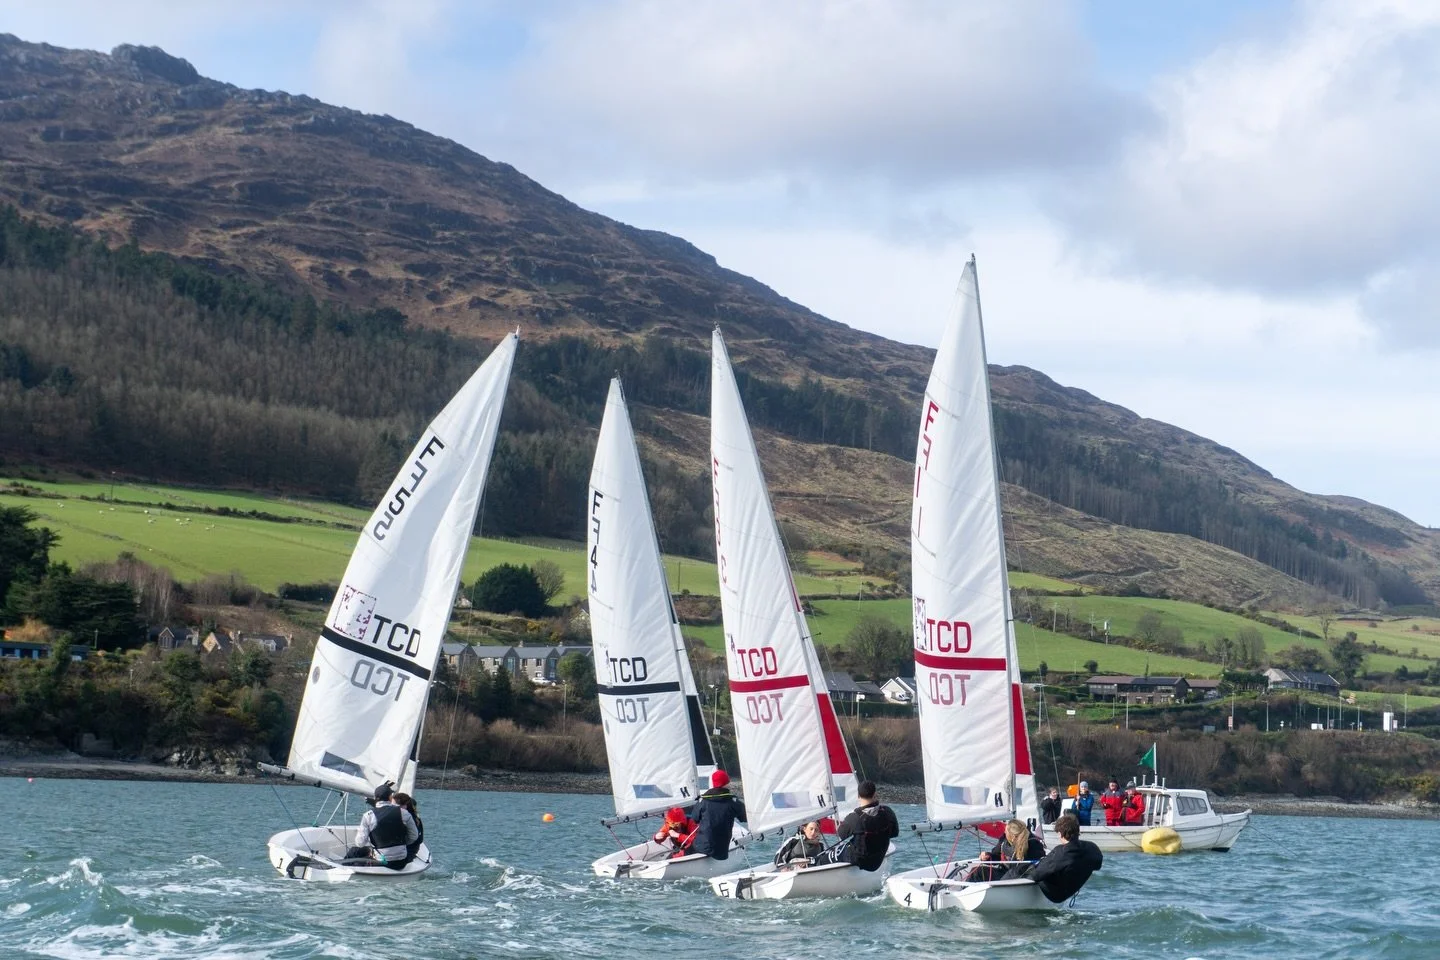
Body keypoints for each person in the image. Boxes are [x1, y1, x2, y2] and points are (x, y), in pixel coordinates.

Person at [816, 780, 899, 871]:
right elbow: (894, 833)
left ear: (858, 796)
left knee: (826, 857)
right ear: (875, 794)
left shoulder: (854, 817)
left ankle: (815, 864)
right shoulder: (888, 811)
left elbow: (841, 834)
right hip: (877, 860)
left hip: (861, 861)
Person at [1022, 813, 1103, 903]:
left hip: (1054, 894)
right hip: (1070, 890)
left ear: (1060, 834)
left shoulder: (1061, 852)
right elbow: (1097, 865)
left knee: (1023, 868)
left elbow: (1036, 875)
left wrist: (1025, 877)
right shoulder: (1092, 847)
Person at [344, 781, 420, 870]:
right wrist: (401, 844)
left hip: (382, 862)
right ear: (390, 797)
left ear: (376, 798)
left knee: (355, 852)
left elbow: (360, 843)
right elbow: (414, 836)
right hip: (401, 862)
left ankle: (340, 870)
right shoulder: (404, 813)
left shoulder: (368, 815)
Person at [961, 819, 1047, 882]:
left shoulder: (1034, 844)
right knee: (976, 871)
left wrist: (1004, 881)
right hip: (1004, 874)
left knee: (1014, 872)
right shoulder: (1004, 840)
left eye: (1006, 831)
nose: (1005, 832)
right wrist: (988, 857)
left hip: (1022, 879)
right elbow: (996, 856)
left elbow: (1038, 865)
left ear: (1011, 835)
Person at [691, 770, 746, 861]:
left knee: (686, 848)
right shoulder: (733, 802)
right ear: (726, 783)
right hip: (721, 851)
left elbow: (695, 819)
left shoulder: (702, 801)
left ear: (713, 784)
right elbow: (745, 818)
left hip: (701, 847)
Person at [393, 791, 424, 862]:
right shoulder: (415, 818)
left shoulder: (409, 818)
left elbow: (415, 838)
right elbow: (420, 839)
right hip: (410, 849)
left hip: (407, 850)